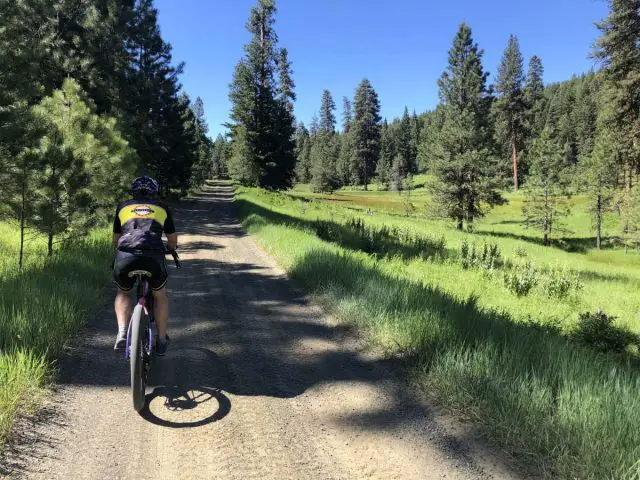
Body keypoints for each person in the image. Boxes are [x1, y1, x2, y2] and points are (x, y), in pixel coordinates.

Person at [112, 176, 178, 355]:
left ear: (133, 192)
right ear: (154, 192)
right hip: (153, 257)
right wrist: (171, 248)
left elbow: (115, 240)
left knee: (124, 292)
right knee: (159, 295)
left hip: (126, 256)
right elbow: (172, 240)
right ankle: (162, 339)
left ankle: (123, 332)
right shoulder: (162, 208)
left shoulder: (123, 207)